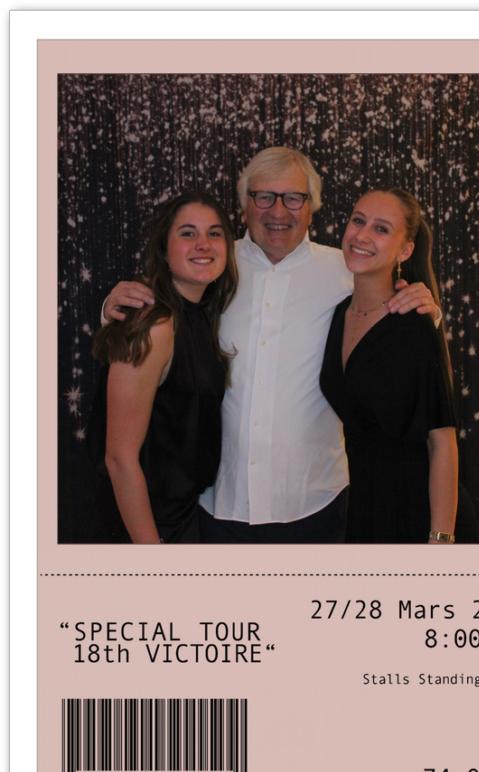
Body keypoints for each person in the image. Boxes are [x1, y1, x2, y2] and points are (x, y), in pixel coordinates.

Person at [103, 148, 439, 543]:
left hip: (317, 502)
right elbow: (162, 307)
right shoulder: (213, 264)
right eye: (263, 196)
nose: (278, 211)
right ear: (244, 205)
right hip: (216, 505)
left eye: (294, 198)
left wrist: (426, 310)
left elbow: (395, 333)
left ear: (312, 207)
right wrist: (111, 308)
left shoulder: (348, 271)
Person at [91, 191, 238, 543]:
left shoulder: (200, 315)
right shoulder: (155, 324)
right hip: (145, 527)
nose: (203, 244)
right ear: (163, 249)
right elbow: (119, 459)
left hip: (183, 516)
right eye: (188, 233)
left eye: (214, 233)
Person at [320, 188, 458, 543]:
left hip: (413, 514)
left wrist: (440, 539)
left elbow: (442, 441)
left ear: (405, 250)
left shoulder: (414, 325)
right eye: (358, 221)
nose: (362, 235)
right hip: (358, 510)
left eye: (381, 229)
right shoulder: (338, 314)